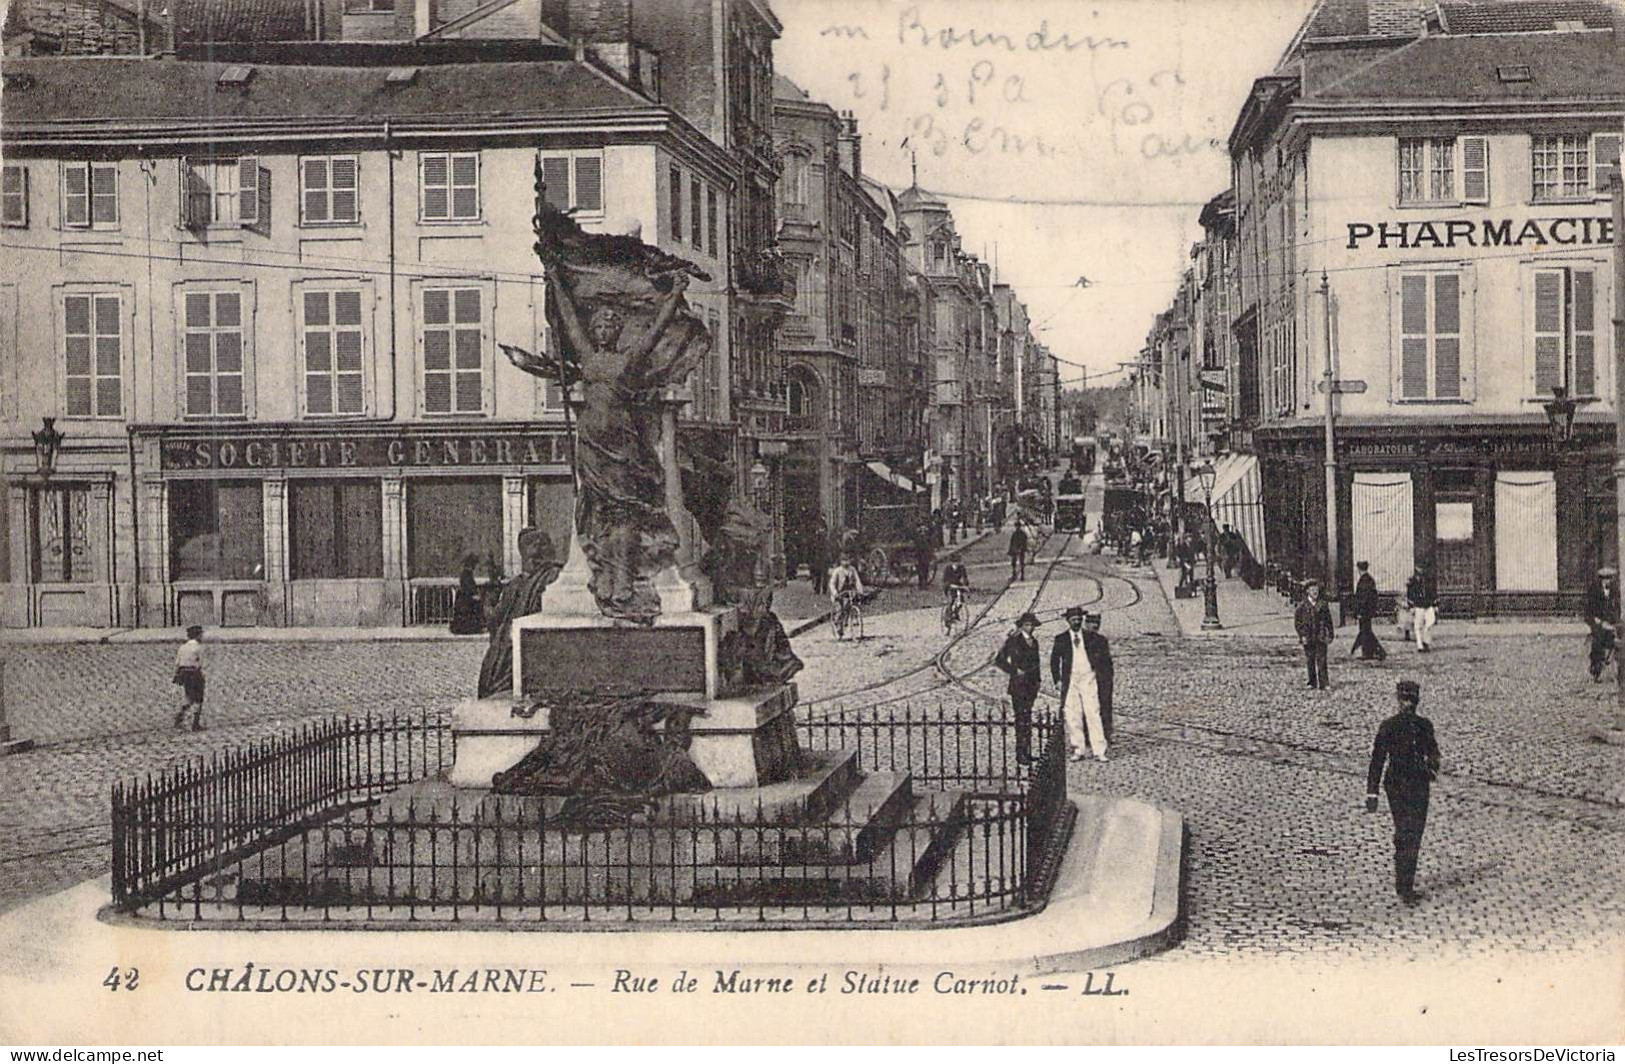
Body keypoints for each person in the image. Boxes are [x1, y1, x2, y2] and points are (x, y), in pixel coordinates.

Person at [1365, 679, 1441, 905]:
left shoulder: (1424, 726)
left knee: (1415, 833)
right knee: (1404, 832)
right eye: (1404, 700)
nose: (1407, 705)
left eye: (1411, 701)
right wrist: (1372, 793)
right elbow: (1377, 760)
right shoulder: (1388, 726)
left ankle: (1407, 882)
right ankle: (1403, 885)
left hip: (1419, 784)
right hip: (1396, 785)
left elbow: (1434, 752)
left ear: (1416, 703)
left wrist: (1432, 770)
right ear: (1398, 701)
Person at [477, 529, 563, 698]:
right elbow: (496, 619)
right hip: (508, 648)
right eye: (531, 548)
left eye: (543, 545)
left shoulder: (551, 577)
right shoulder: (515, 585)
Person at [1050, 608, 1113, 762]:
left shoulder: (1092, 638)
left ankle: (1099, 750)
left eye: (1079, 619)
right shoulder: (1061, 639)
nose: (1076, 622)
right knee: (1073, 715)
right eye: (1073, 619)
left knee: (1093, 712)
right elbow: (1054, 660)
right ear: (1068, 621)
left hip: (1088, 678)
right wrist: (1057, 679)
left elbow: (1104, 660)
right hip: (1070, 679)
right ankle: (1078, 749)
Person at [994, 612, 1043, 764]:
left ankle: (1027, 752)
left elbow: (1037, 663)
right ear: (1021, 626)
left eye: (1032, 625)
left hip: (1031, 685)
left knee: (1027, 719)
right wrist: (1014, 671)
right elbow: (999, 660)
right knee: (1021, 719)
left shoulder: (1034, 642)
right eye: (1027, 625)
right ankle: (1020, 753)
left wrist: (1038, 681)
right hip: (1018, 685)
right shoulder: (1014, 641)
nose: (1030, 628)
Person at [1294, 580, 1336, 690]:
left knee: (1322, 659)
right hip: (1308, 636)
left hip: (1320, 635)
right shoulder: (1302, 606)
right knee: (1310, 659)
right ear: (1308, 591)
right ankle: (1312, 682)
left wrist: (1330, 634)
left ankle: (1324, 683)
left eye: (1316, 590)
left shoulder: (1323, 604)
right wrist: (1301, 635)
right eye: (1312, 590)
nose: (1315, 592)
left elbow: (1328, 621)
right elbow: (1298, 622)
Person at [1585, 566, 1619, 682]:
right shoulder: (1594, 591)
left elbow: (1616, 609)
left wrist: (1614, 622)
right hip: (1598, 623)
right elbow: (1588, 612)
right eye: (1605, 578)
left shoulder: (1614, 591)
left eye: (1609, 578)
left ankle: (1619, 672)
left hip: (1611, 623)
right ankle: (1596, 670)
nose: (1607, 581)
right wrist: (1597, 621)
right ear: (1601, 579)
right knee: (1598, 642)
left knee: (1620, 639)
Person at [172, 624, 207, 732]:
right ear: (197, 636)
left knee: (189, 697)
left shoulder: (182, 647)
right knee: (198, 699)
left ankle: (180, 715)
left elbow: (177, 663)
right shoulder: (198, 647)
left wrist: (176, 675)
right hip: (194, 673)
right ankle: (195, 723)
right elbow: (200, 663)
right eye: (201, 635)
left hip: (184, 673)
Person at [1350, 561, 1387, 662]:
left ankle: (1377, 652)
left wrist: (1359, 611)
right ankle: (1369, 652)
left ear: (1359, 569)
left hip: (1364, 611)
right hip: (1368, 611)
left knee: (1365, 631)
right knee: (1366, 631)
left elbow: (1363, 599)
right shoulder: (1369, 579)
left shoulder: (1364, 581)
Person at [450, 554, 486, 635]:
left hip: (466, 597)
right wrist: (475, 595)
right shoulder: (466, 574)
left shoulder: (467, 574)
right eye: (474, 564)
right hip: (466, 599)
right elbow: (469, 588)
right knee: (477, 606)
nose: (474, 567)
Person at [1405, 565, 1438, 652]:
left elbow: (1433, 592)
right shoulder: (1412, 582)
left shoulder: (1429, 580)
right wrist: (1411, 606)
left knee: (1430, 622)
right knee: (1418, 626)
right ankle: (1420, 645)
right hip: (1418, 605)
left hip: (1428, 604)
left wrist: (1435, 604)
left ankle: (1426, 641)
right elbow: (1409, 595)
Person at [807, 518, 831, 596]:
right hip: (820, 557)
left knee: (821, 574)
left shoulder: (821, 537)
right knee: (820, 574)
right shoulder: (822, 536)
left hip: (821, 557)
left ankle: (820, 589)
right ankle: (821, 589)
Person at [913, 520, 935, 590]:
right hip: (921, 553)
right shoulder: (920, 536)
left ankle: (923, 584)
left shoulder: (922, 535)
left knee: (924, 569)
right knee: (922, 569)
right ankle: (922, 584)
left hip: (924, 554)